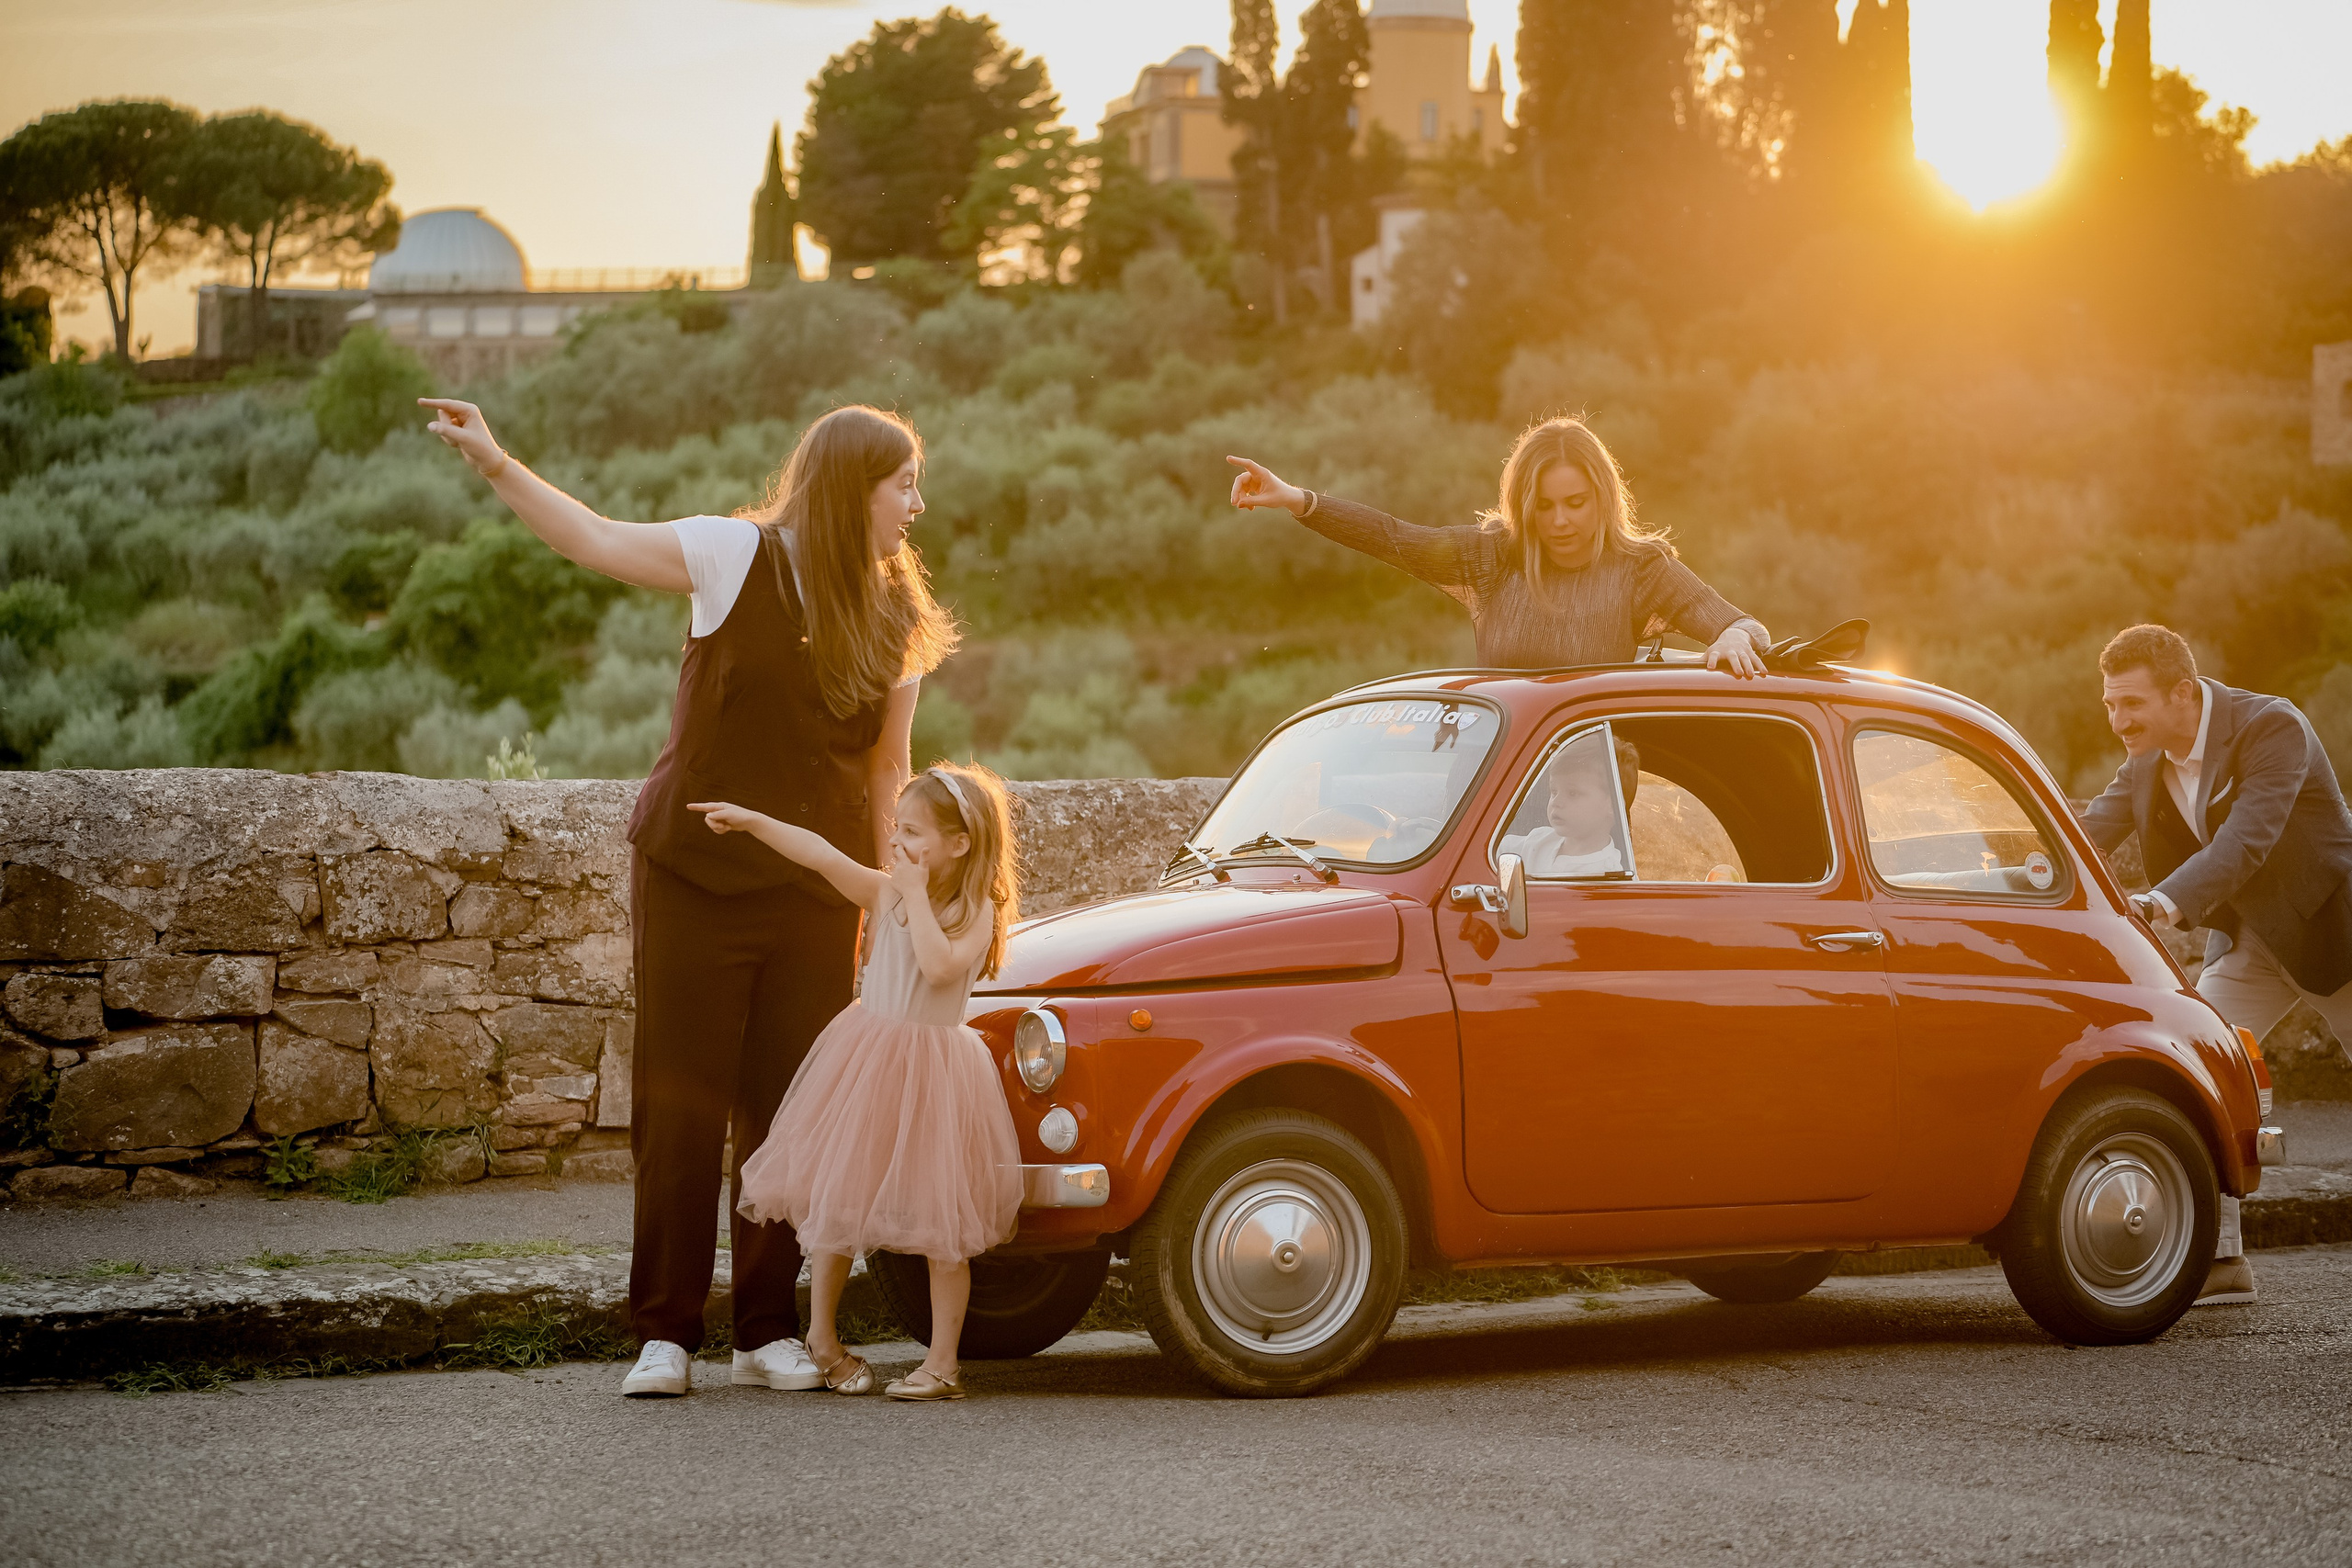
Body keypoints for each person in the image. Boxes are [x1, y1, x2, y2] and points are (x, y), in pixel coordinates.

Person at [418, 397, 957, 1399]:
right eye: (904, 484)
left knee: (786, 1112)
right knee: (680, 1105)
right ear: (853, 489)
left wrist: (892, 896)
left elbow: (890, 771)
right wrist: (497, 461)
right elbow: (593, 538)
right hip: (691, 878)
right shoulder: (729, 555)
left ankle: (763, 1331)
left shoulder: (899, 617)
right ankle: (663, 1334)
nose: (917, 504)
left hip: (810, 891)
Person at [693, 762, 1023, 1401]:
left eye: (915, 833)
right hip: (868, 1057)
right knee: (839, 1200)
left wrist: (914, 893)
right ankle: (822, 1340)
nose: (899, 844)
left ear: (960, 843)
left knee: (943, 1222)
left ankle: (944, 1363)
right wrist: (753, 820)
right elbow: (819, 855)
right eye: (897, 829)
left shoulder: (973, 909)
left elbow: (936, 962)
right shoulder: (892, 891)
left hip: (936, 1074)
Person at [2081, 624, 2352, 1306]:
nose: (2119, 720)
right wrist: (1998, 868)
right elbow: (2083, 830)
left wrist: (2161, 904)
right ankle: (2221, 1260)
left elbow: (2245, 843)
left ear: (2181, 691)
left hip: (2334, 934)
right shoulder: (2144, 759)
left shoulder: (2272, 728)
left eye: (2131, 704)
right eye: (2110, 705)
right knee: (2200, 1074)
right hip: (2251, 943)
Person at [1227, 417, 1770, 675]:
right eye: (1543, 505)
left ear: (1603, 499)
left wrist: (1731, 640)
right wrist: (1297, 499)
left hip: (1589, 801)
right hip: (1498, 788)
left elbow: (1746, 626)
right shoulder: (1490, 559)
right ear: (1522, 503)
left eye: (1576, 503)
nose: (1559, 521)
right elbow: (1395, 538)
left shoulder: (1640, 569)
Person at [1502, 734, 1642, 877]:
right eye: (1554, 791)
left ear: (1613, 806)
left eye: (1573, 793)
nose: (1556, 802)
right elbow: (1485, 852)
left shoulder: (1613, 875)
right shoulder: (1538, 840)